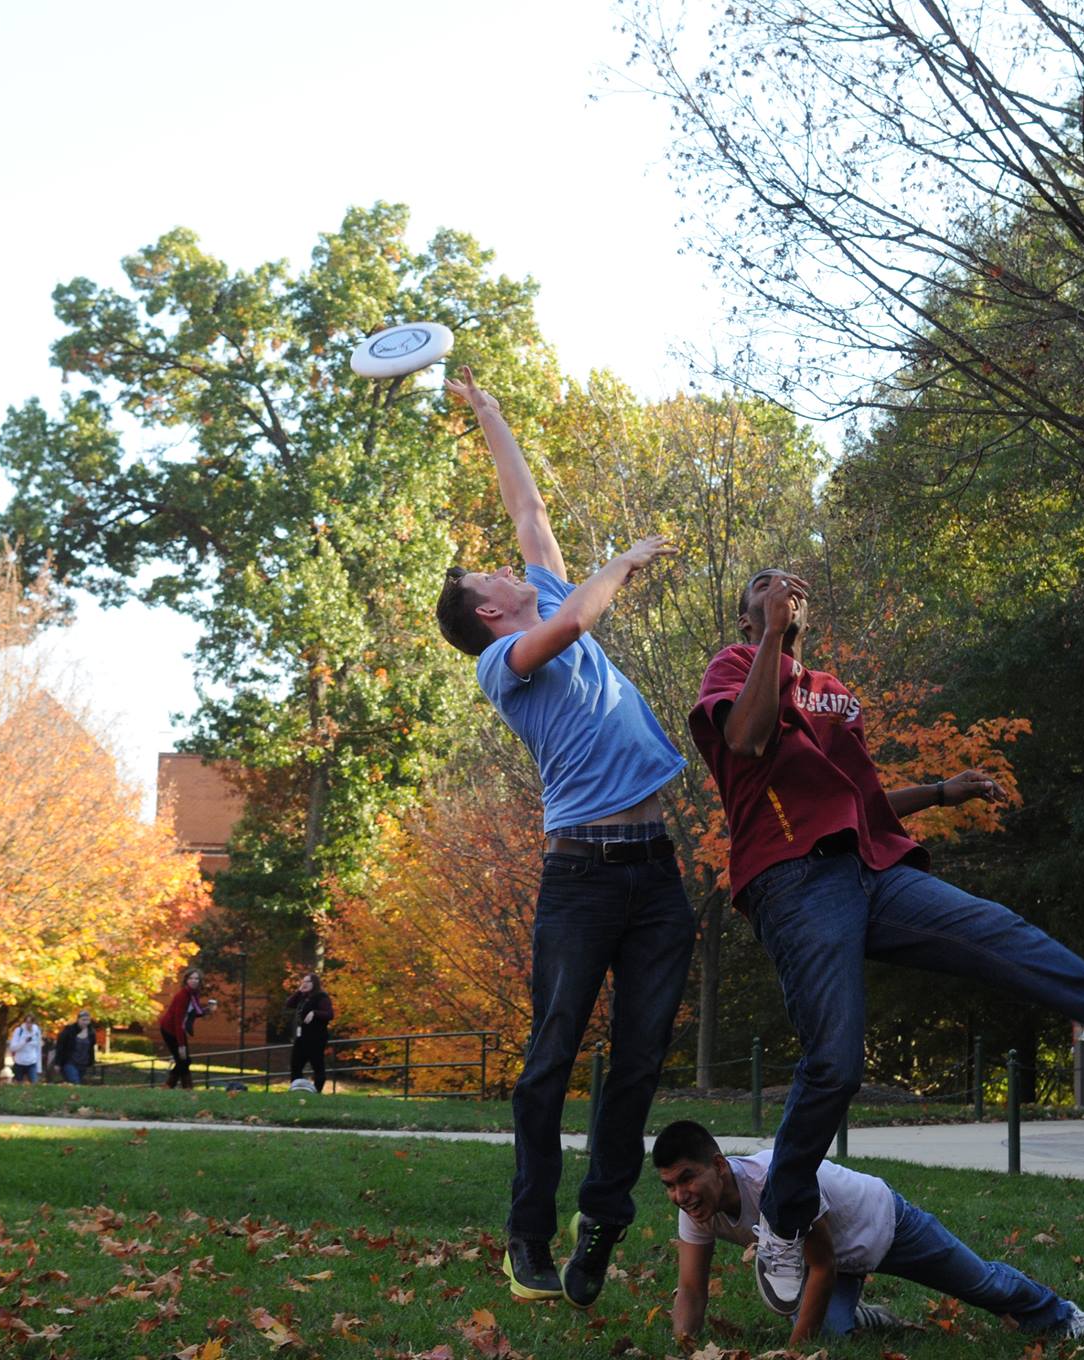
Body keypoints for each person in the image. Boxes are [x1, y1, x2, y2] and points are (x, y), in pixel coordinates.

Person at [686, 568, 1084, 1313]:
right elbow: (746, 740)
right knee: (837, 1061)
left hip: (872, 867)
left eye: (788, 585)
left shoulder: (832, 690)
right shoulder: (732, 665)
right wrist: (772, 639)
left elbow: (864, 798)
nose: (781, 584)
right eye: (763, 585)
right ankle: (784, 1219)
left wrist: (945, 790)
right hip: (793, 880)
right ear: (750, 617)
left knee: (996, 932)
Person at [434, 368, 693, 1308]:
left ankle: (603, 1226)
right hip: (580, 877)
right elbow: (583, 609)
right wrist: (622, 561)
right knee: (550, 1057)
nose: (503, 564)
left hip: (655, 873)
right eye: (487, 575)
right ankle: (526, 1237)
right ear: (490, 612)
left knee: (639, 1060)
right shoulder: (505, 662)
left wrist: (490, 413)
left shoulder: (540, 588)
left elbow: (528, 505)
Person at [655, 1120, 1084, 1347]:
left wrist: (794, 1354)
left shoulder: (778, 1179)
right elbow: (693, 1289)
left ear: (718, 1166)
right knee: (830, 1335)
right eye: (670, 1185)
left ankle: (1065, 1315)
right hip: (832, 1256)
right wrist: (684, 1347)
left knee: (983, 1285)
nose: (680, 1194)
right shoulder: (696, 1208)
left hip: (885, 1224)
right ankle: (868, 1316)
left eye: (687, 1178)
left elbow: (823, 1265)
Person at [159, 968, 214, 1090]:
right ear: (186, 980)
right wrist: (181, 1045)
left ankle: (175, 1087)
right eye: (191, 978)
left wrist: (207, 1010)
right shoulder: (183, 995)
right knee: (183, 1059)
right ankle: (181, 1087)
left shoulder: (193, 994)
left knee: (184, 1060)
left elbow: (193, 1013)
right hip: (170, 1029)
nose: (194, 981)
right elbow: (177, 1021)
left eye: (196, 978)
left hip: (179, 1028)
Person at [283, 972, 333, 1090]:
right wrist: (299, 991)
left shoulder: (321, 997)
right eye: (303, 981)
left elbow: (329, 1014)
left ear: (314, 983)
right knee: (296, 1064)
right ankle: (296, 1088)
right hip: (302, 1037)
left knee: (317, 1065)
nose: (304, 984)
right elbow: (289, 1004)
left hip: (316, 1037)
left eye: (307, 982)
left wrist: (314, 1012)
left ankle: (317, 1091)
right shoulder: (302, 997)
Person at [55, 1011, 97, 1085]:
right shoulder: (69, 1031)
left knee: (75, 1084)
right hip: (69, 1062)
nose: (85, 1022)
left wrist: (91, 1062)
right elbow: (60, 1047)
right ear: (78, 1020)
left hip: (83, 1063)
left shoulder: (91, 1032)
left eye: (88, 1020)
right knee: (75, 1082)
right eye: (83, 1020)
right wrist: (57, 1063)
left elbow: (91, 1049)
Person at [7, 1013, 44, 1084]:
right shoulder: (19, 1031)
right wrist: (24, 1041)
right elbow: (12, 1048)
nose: (28, 1025)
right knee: (18, 1085)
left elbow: (38, 1050)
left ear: (33, 1023)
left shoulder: (37, 1032)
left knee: (34, 1084)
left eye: (30, 1022)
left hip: (32, 1062)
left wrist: (39, 1068)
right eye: (27, 1022)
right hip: (19, 1062)